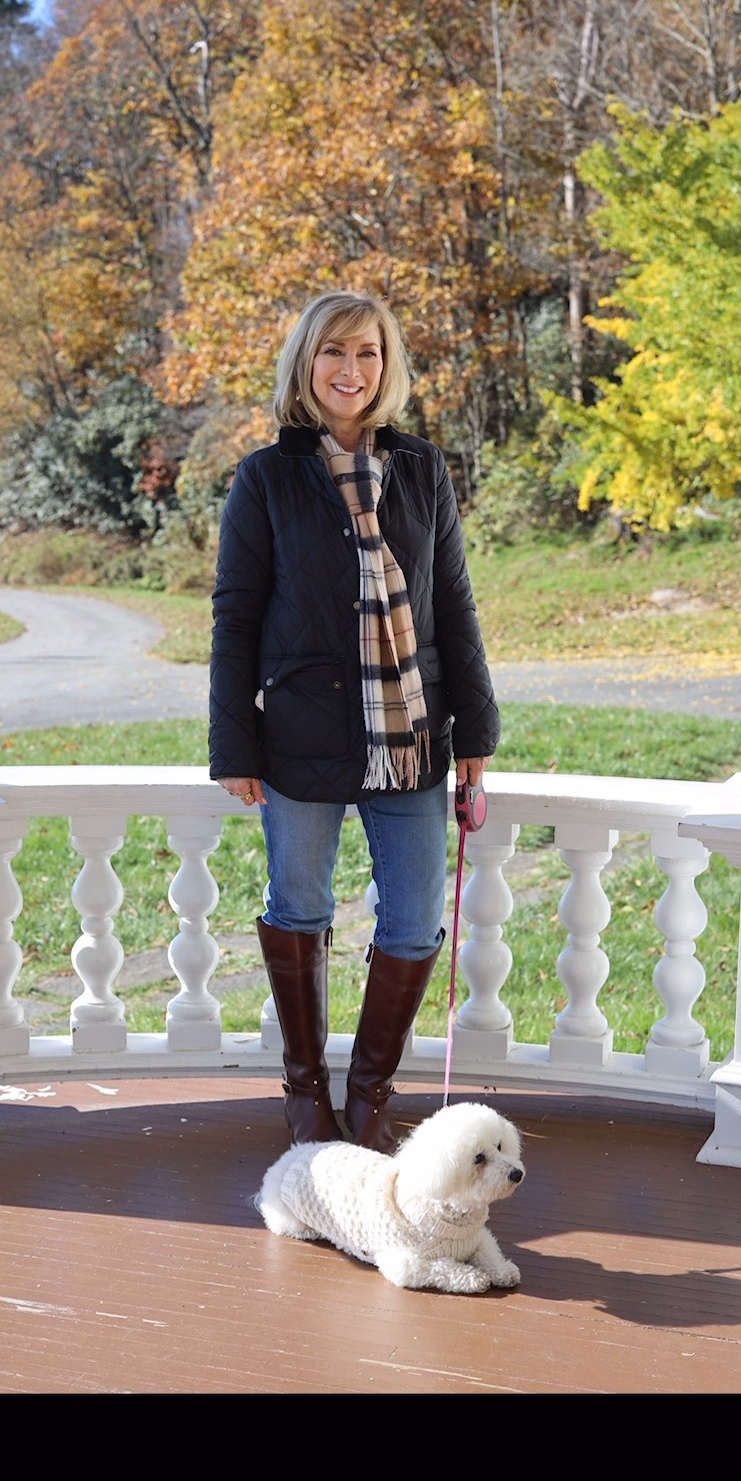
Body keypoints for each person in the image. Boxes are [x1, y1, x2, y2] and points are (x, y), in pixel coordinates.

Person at [209, 290, 500, 1155]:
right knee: (298, 907)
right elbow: (235, 612)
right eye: (334, 352)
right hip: (300, 738)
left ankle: (370, 1095)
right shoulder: (266, 476)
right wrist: (234, 742)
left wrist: (476, 736)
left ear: (387, 366)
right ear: (306, 364)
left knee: (411, 920)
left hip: (412, 735)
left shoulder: (422, 468)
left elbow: (453, 601)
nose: (351, 370)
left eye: (368, 353)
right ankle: (305, 1091)